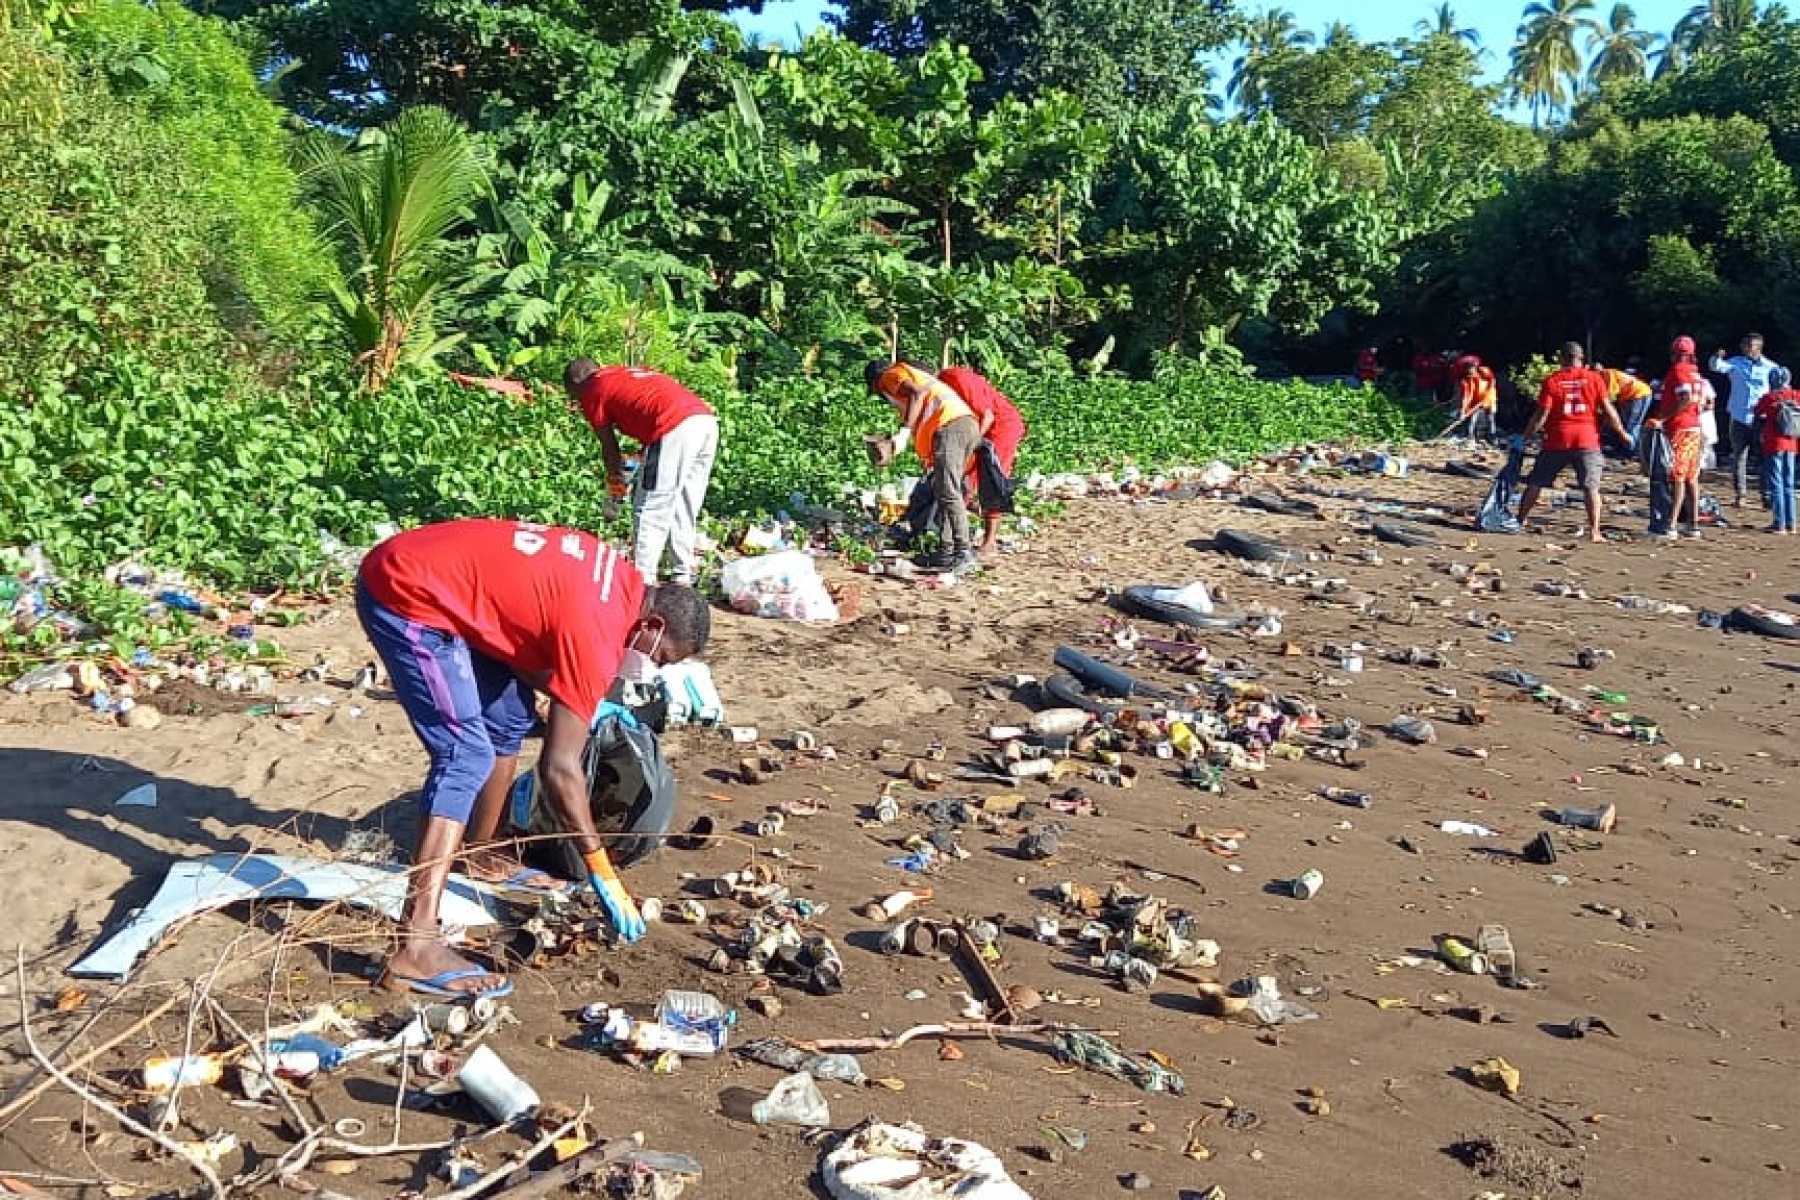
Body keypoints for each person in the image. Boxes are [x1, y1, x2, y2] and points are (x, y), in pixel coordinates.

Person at [357, 518, 711, 997]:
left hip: (444, 582)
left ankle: (476, 854)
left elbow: (533, 637)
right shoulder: (600, 631)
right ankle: (415, 945)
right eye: (661, 656)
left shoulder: (623, 584)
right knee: (465, 755)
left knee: (507, 720)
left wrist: (584, 704)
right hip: (405, 593)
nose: (653, 665)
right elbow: (559, 768)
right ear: (652, 625)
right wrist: (599, 867)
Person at [565, 361, 719, 586]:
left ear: (577, 384)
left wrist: (615, 491)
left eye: (575, 397)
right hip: (704, 422)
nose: (578, 403)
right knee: (683, 503)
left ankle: (642, 581)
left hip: (672, 425)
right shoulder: (622, 373)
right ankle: (682, 576)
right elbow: (650, 413)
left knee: (650, 507)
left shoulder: (592, 389)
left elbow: (609, 448)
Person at [866, 359, 982, 571]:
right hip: (963, 425)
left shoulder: (889, 376)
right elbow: (921, 408)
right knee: (944, 490)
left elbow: (917, 394)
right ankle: (946, 551)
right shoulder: (914, 375)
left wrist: (902, 433)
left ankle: (963, 551)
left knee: (948, 491)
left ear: (875, 383)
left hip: (951, 425)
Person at [1516, 341, 1633, 544]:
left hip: (1557, 439)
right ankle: (1595, 531)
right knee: (1591, 487)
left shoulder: (1552, 380)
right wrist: (1622, 433)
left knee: (1536, 482)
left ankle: (1520, 519)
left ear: (1562, 358)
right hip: (1587, 440)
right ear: (1581, 359)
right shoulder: (1595, 379)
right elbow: (1608, 409)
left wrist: (1524, 437)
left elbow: (1541, 414)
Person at [939, 365, 1027, 557]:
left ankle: (989, 542)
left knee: (992, 481)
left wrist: (970, 445)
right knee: (963, 481)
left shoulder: (955, 378)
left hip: (1001, 427)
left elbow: (987, 415)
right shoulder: (938, 389)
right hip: (978, 428)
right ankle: (954, 537)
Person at [1647, 336, 1711, 540]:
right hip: (1695, 428)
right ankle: (1692, 525)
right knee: (1692, 478)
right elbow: (1707, 402)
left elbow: (1685, 398)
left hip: (1680, 429)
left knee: (1677, 477)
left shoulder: (1678, 371)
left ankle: (1671, 525)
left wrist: (1662, 419)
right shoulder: (1696, 374)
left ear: (1674, 352)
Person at [1709, 334, 1783, 508]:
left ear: (1759, 347)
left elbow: (1779, 391)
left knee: (1764, 459)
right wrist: (1716, 357)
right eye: (1744, 345)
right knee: (1739, 457)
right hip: (1738, 417)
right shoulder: (1735, 363)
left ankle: (1766, 495)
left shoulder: (1771, 367)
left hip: (1761, 420)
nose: (1747, 348)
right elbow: (1716, 367)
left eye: (1750, 345)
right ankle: (1740, 494)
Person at [1754, 366, 1800, 535]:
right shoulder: (1796, 395)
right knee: (1789, 483)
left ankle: (1779, 523)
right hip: (1792, 443)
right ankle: (1792, 523)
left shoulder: (1770, 397)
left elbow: (1757, 411)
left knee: (1776, 483)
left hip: (1773, 443)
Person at [1597, 362, 1653, 455]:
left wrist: (1604, 413)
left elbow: (1611, 397)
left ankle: (1632, 453)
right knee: (1627, 424)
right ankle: (1630, 449)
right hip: (1628, 398)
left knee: (1632, 425)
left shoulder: (1608, 374)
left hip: (1639, 394)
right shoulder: (1602, 377)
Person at [1454, 354, 1499, 442]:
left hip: (1489, 398)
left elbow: (1492, 382)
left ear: (1475, 366)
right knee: (1472, 420)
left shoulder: (1484, 371)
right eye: (1467, 368)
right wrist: (1463, 411)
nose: (1469, 370)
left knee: (1490, 419)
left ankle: (1492, 438)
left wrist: (1487, 397)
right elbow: (1466, 397)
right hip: (1476, 401)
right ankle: (1470, 438)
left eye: (1471, 367)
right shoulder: (1466, 381)